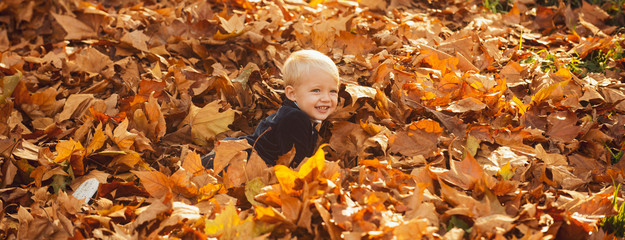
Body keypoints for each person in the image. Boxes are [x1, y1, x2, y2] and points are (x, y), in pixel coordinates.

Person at [202, 49, 340, 170]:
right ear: (292, 94)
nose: (326, 98)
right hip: (243, 161)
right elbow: (297, 165)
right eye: (316, 90)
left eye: (333, 91)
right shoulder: (296, 119)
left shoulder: (291, 112)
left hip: (243, 153)